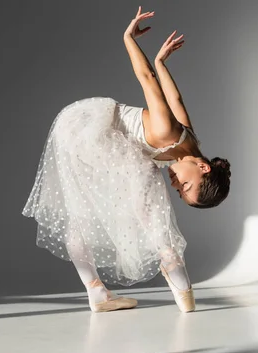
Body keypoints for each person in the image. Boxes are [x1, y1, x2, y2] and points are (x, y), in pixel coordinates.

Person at [21, 6, 231, 313]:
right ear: (203, 166)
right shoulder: (169, 132)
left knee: (83, 210)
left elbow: (176, 100)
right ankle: (179, 282)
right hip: (88, 127)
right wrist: (129, 38)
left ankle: (97, 293)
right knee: (148, 190)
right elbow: (147, 80)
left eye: (180, 191)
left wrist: (161, 62)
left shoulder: (189, 140)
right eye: (186, 184)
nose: (175, 183)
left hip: (79, 130)